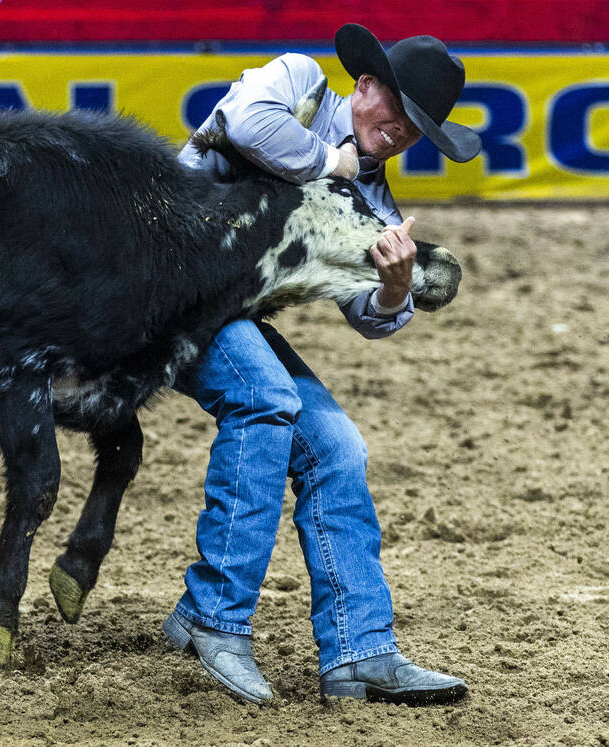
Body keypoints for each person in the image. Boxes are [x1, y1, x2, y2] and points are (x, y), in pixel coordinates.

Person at [162, 24, 481, 706]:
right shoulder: (300, 82)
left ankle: (360, 651)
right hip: (162, 283)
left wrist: (395, 284)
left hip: (229, 310)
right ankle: (212, 617)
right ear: (364, 85)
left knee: (337, 445)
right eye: (395, 111)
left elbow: (373, 314)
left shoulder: (376, 203)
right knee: (266, 396)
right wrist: (330, 165)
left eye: (415, 128)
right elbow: (245, 121)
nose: (398, 132)